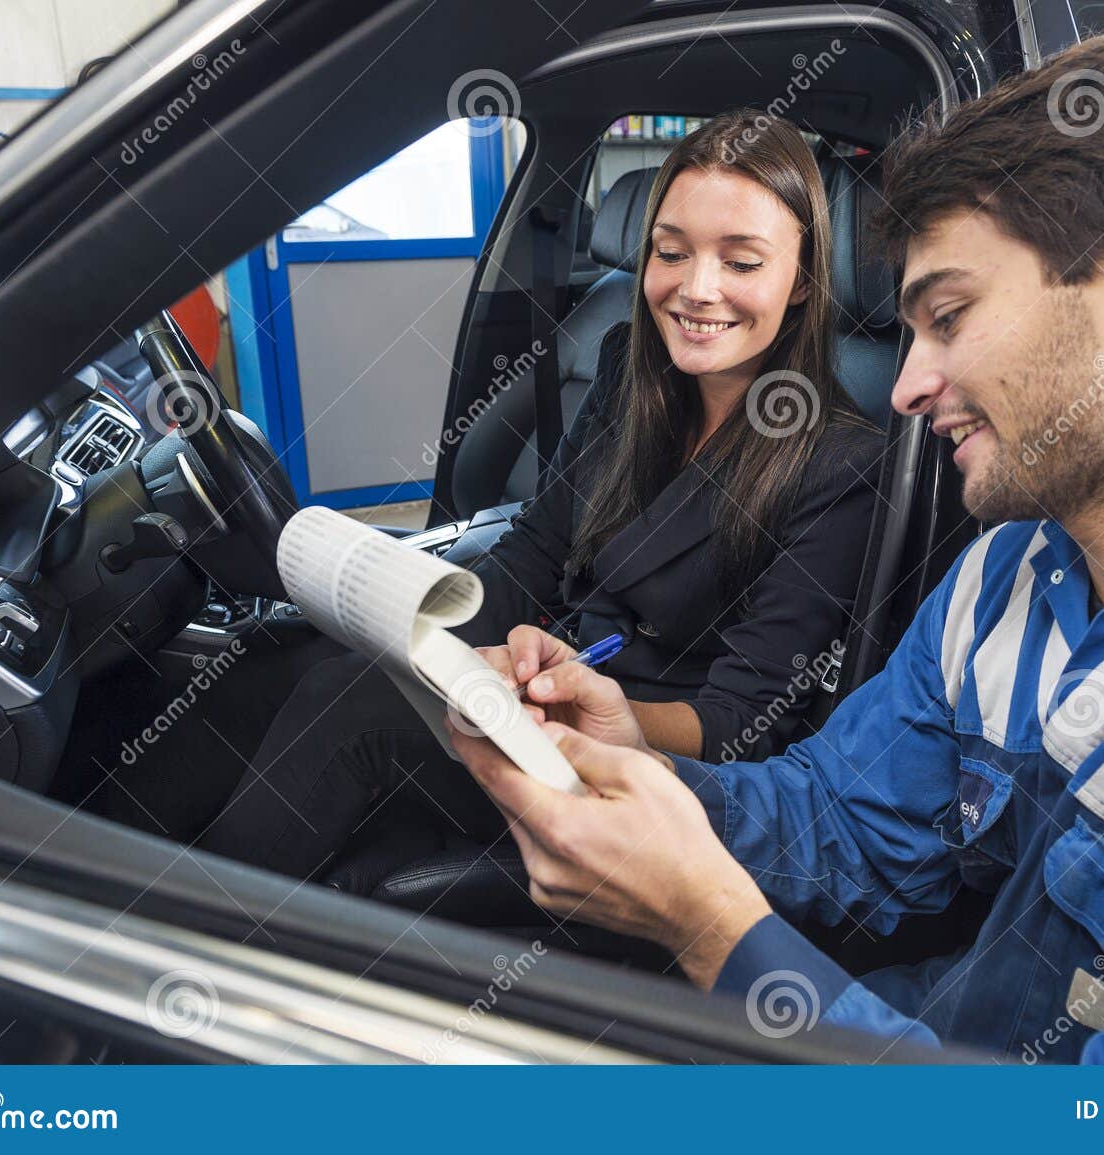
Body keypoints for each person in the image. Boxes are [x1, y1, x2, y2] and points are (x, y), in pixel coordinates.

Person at [448, 24, 1104, 1063]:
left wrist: (711, 931)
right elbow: (838, 821)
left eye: (950, 316)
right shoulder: (1007, 581)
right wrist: (631, 761)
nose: (911, 386)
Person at [200, 110, 885, 889]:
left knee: (348, 704)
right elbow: (533, 552)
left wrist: (582, 705)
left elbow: (739, 723)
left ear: (801, 281)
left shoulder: (843, 465)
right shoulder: (632, 373)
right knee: (284, 660)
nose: (697, 289)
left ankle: (181, 942)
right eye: (671, 252)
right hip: (534, 684)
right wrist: (417, 623)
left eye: (742, 262)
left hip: (636, 763)